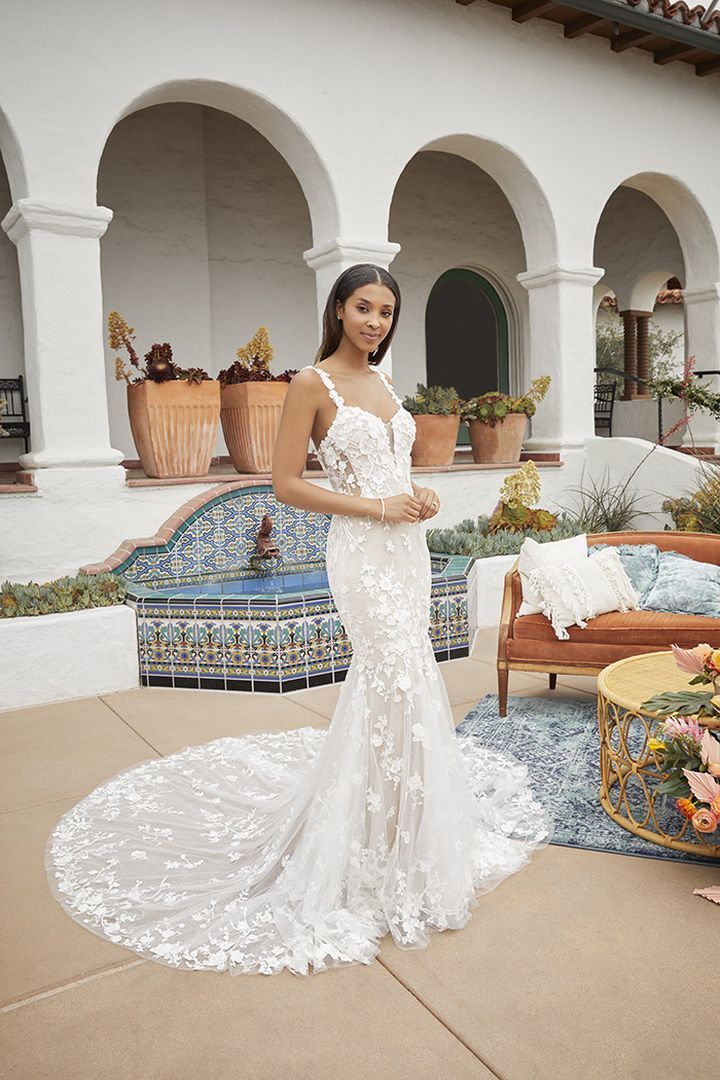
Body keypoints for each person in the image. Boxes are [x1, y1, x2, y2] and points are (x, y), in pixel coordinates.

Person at [45, 264, 549, 978]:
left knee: (407, 683)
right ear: (339, 309)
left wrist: (418, 502)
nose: (375, 321)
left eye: (386, 311)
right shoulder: (314, 385)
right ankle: (371, 846)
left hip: (403, 550)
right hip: (360, 554)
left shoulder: (386, 385)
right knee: (394, 678)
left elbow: (396, 477)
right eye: (364, 307)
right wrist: (377, 508)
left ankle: (405, 830)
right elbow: (286, 485)